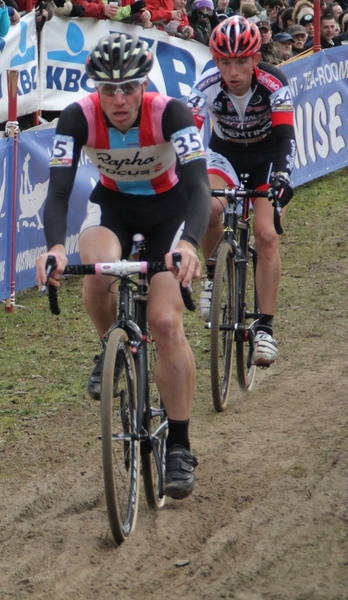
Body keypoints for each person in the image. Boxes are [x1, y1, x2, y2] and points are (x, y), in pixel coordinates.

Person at [35, 32, 211, 500]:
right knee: (96, 267)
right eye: (107, 88)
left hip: (170, 211)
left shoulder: (169, 113)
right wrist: (54, 246)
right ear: (95, 87)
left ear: (143, 85)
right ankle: (109, 346)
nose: (117, 99)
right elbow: (56, 193)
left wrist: (191, 244)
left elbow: (198, 189)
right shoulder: (77, 117)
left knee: (165, 322)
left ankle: (179, 444)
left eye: (128, 88)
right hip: (112, 208)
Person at [187, 15, 296, 366]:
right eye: (225, 62)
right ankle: (212, 271)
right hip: (225, 154)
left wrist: (282, 176)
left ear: (255, 59)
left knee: (265, 235)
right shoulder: (205, 84)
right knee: (210, 207)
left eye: (241, 62)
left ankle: (265, 327)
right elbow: (188, 134)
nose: (233, 72)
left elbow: (285, 137)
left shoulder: (273, 82)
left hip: (266, 157)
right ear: (216, 61)